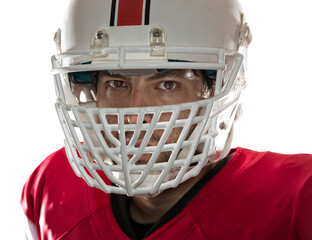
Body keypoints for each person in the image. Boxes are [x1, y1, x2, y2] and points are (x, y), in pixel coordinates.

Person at [21, 0, 312, 239]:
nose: (136, 114)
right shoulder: (49, 188)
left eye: (167, 84)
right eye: (117, 84)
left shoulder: (296, 199)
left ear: (218, 89)